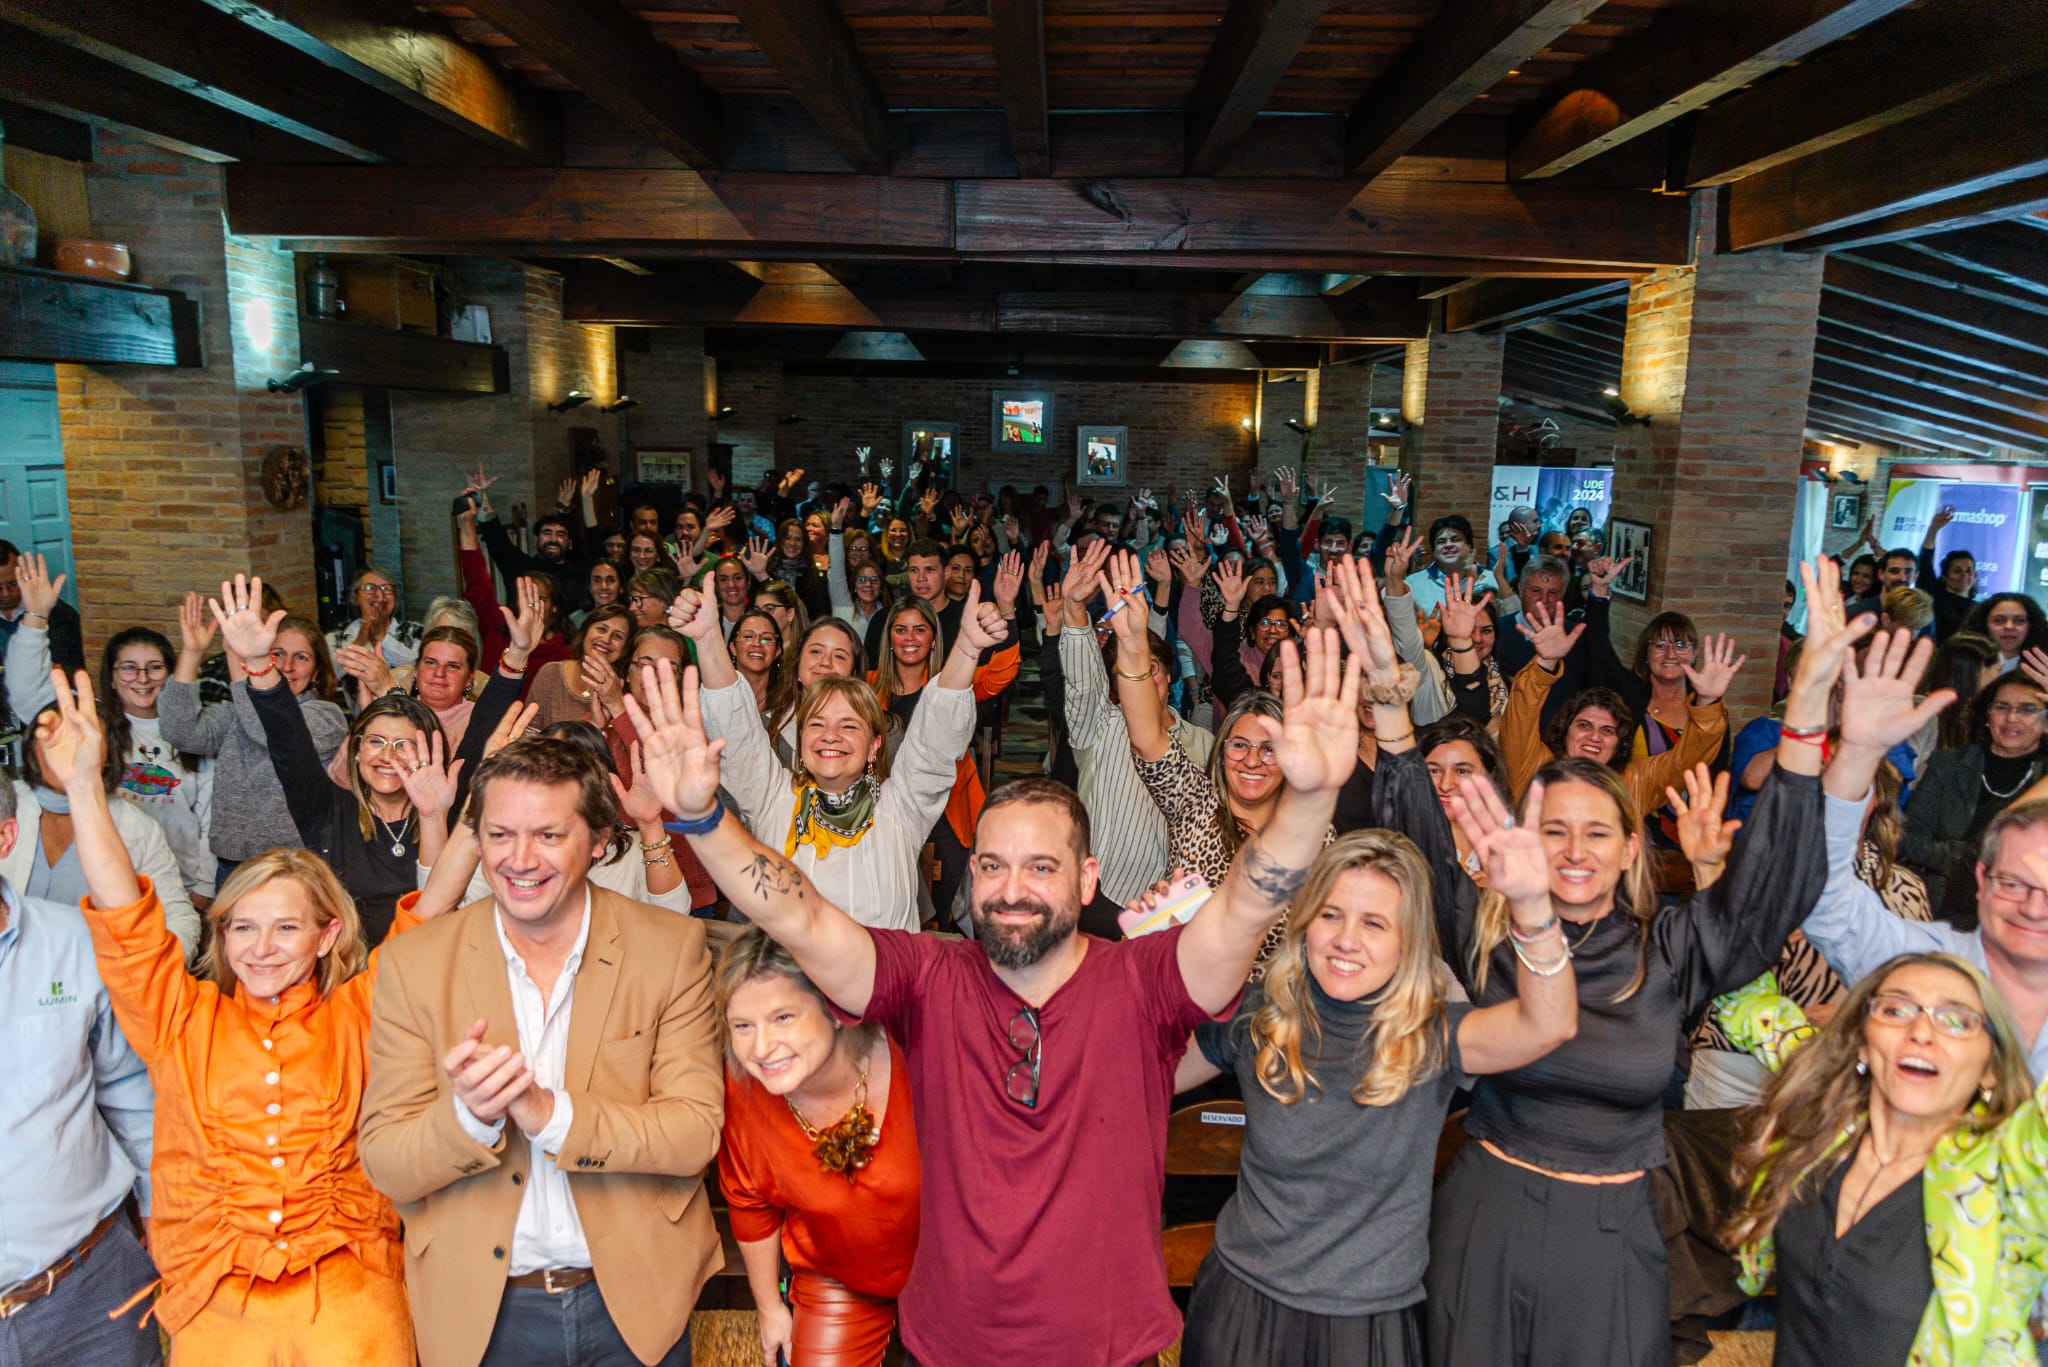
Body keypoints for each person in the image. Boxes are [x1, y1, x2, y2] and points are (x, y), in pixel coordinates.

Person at [638, 608, 1362, 1366]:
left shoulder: (1145, 980)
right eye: (992, 864)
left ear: (1088, 880)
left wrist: (1310, 801)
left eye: (1041, 867)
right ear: (971, 874)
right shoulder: (928, 976)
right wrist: (702, 817)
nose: (1012, 888)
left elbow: (1246, 904)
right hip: (947, 1347)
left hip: (1107, 1350)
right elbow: (798, 911)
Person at [1373, 556, 1843, 1367]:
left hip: (1617, 1230)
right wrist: (1390, 700)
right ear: (1527, 837)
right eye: (1555, 829)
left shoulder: (1669, 950)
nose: (1576, 850)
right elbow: (1417, 823)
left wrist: (1806, 714)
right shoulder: (1489, 933)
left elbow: (1773, 893)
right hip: (1486, 1218)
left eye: (1597, 831)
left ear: (1631, 845)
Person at [51, 665, 441, 1365]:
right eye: (242, 927)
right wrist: (83, 786)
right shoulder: (182, 1017)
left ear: (326, 936)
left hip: (352, 1295)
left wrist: (444, 816)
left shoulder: (361, 1008)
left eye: (286, 928)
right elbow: (126, 919)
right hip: (216, 1299)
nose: (261, 948)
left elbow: (435, 915)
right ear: (222, 935)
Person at [357, 736, 725, 1367]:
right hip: (482, 1313)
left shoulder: (671, 949)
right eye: (499, 835)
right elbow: (387, 1162)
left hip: (636, 1302)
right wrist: (470, 1117)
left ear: (601, 840)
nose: (519, 859)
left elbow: (695, 1134)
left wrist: (547, 1113)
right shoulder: (409, 966)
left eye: (548, 836)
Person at [1172, 808, 1576, 1367]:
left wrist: (1533, 906)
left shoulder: (1434, 1033)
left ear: (1408, 942)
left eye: (1374, 923)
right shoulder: (1258, 1014)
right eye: (1330, 914)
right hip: (1243, 1309)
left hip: (1369, 1325)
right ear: (1305, 921)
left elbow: (1549, 1024)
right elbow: (1141, 1074)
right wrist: (1158, 951)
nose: (1345, 940)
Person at [1724, 952, 2048, 1365]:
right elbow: (1754, 1008)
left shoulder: (2007, 1176)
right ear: (1862, 1039)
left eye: (1956, 1020)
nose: (1921, 1031)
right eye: (1895, 1009)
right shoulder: (1822, 1132)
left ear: (1991, 1068)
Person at [223, 573, 536, 946]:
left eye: (403, 744)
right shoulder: (326, 811)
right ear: (356, 752)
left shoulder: (442, 806)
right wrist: (259, 663)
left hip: (427, 970)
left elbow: (482, 724)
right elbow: (288, 740)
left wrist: (516, 655)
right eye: (376, 741)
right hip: (347, 979)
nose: (388, 756)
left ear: (428, 753)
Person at [677, 579, 995, 933]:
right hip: (789, 983)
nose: (831, 736)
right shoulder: (773, 797)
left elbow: (934, 739)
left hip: (880, 984)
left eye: (849, 726)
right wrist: (707, 639)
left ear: (875, 745)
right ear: (802, 736)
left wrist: (967, 646)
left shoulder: (901, 806)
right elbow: (736, 731)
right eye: (817, 724)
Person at [1801, 642, 2048, 1080]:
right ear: (1982, 879)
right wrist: (1856, 755)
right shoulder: (1929, 963)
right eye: (2013, 883)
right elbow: (1827, 901)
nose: (2032, 907)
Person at [0, 770, 160, 1365]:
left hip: (90, 1291)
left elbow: (128, 1090)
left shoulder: (72, 942)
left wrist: (156, 1215)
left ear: (6, 837)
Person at [717, 929, 920, 1367]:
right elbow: (749, 1202)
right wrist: (770, 1309)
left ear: (833, 1010)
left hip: (951, 1270)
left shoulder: (913, 1051)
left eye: (783, 1017)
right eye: (743, 1026)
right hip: (836, 1274)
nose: (762, 1048)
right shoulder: (746, 1090)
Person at [5, 556, 216, 908]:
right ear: (113, 676)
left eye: (154, 668)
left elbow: (213, 819)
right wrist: (35, 617)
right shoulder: (91, 725)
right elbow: (29, 694)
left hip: (179, 885)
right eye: (129, 669)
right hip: (106, 883)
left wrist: (204, 890)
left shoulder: (194, 731)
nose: (143, 678)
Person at [1058, 540, 1215, 905]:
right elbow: (1083, 682)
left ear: (1169, 673)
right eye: (1132, 671)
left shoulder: (1203, 743)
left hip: (1157, 902)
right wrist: (1074, 608)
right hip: (1089, 893)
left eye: (1153, 668)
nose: (1145, 677)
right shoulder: (1101, 723)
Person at [160, 593, 347, 888]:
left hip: (295, 868)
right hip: (232, 868)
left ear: (316, 672)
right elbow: (180, 732)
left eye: (301, 657)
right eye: (276, 653)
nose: (286, 666)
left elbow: (270, 728)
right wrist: (192, 653)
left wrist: (241, 659)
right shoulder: (236, 711)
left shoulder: (327, 717)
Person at [1500, 598, 1739, 816]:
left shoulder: (1635, 781)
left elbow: (1687, 761)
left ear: (1619, 743)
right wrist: (1545, 662)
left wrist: (1707, 701)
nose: (1594, 736)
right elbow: (1519, 720)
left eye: (1607, 731)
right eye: (1584, 725)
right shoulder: (1535, 768)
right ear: (1565, 731)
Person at [1903, 670, 2048, 919]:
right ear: (1987, 715)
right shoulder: (1948, 764)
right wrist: (1971, 858)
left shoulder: (2044, 778)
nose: (2012, 718)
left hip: (2025, 911)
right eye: (2002, 707)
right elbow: (1907, 839)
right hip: (1941, 905)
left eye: (2027, 709)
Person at [521, 604, 631, 731]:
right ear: (585, 632)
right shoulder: (550, 674)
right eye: (601, 629)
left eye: (618, 636)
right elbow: (529, 733)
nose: (606, 639)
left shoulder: (626, 689)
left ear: (625, 648)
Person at [329, 567, 423, 713]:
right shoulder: (337, 638)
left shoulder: (415, 632)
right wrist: (359, 642)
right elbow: (329, 674)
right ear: (355, 597)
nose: (379, 595)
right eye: (369, 588)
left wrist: (383, 638)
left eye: (386, 588)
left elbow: (420, 668)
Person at [1919, 506, 1979, 641]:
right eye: (1957, 571)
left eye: (1969, 570)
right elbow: (1925, 562)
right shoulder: (1934, 597)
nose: (1964, 575)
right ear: (1945, 576)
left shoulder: (1979, 608)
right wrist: (1933, 530)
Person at [1961, 592, 2048, 676]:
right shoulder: (1965, 662)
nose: (2009, 627)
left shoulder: (2044, 664)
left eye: (2019, 621)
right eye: (1998, 620)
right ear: (1984, 624)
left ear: (2031, 625)